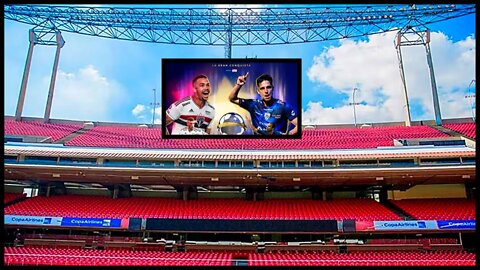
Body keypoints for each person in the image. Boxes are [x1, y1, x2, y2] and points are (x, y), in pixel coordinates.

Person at [229, 73, 298, 135]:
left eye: (268, 87)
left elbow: (298, 125)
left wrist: (289, 135)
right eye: (262, 88)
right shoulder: (253, 105)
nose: (266, 91)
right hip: (258, 146)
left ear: (273, 88)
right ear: (258, 91)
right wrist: (238, 85)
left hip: (277, 145)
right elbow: (232, 98)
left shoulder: (283, 106)